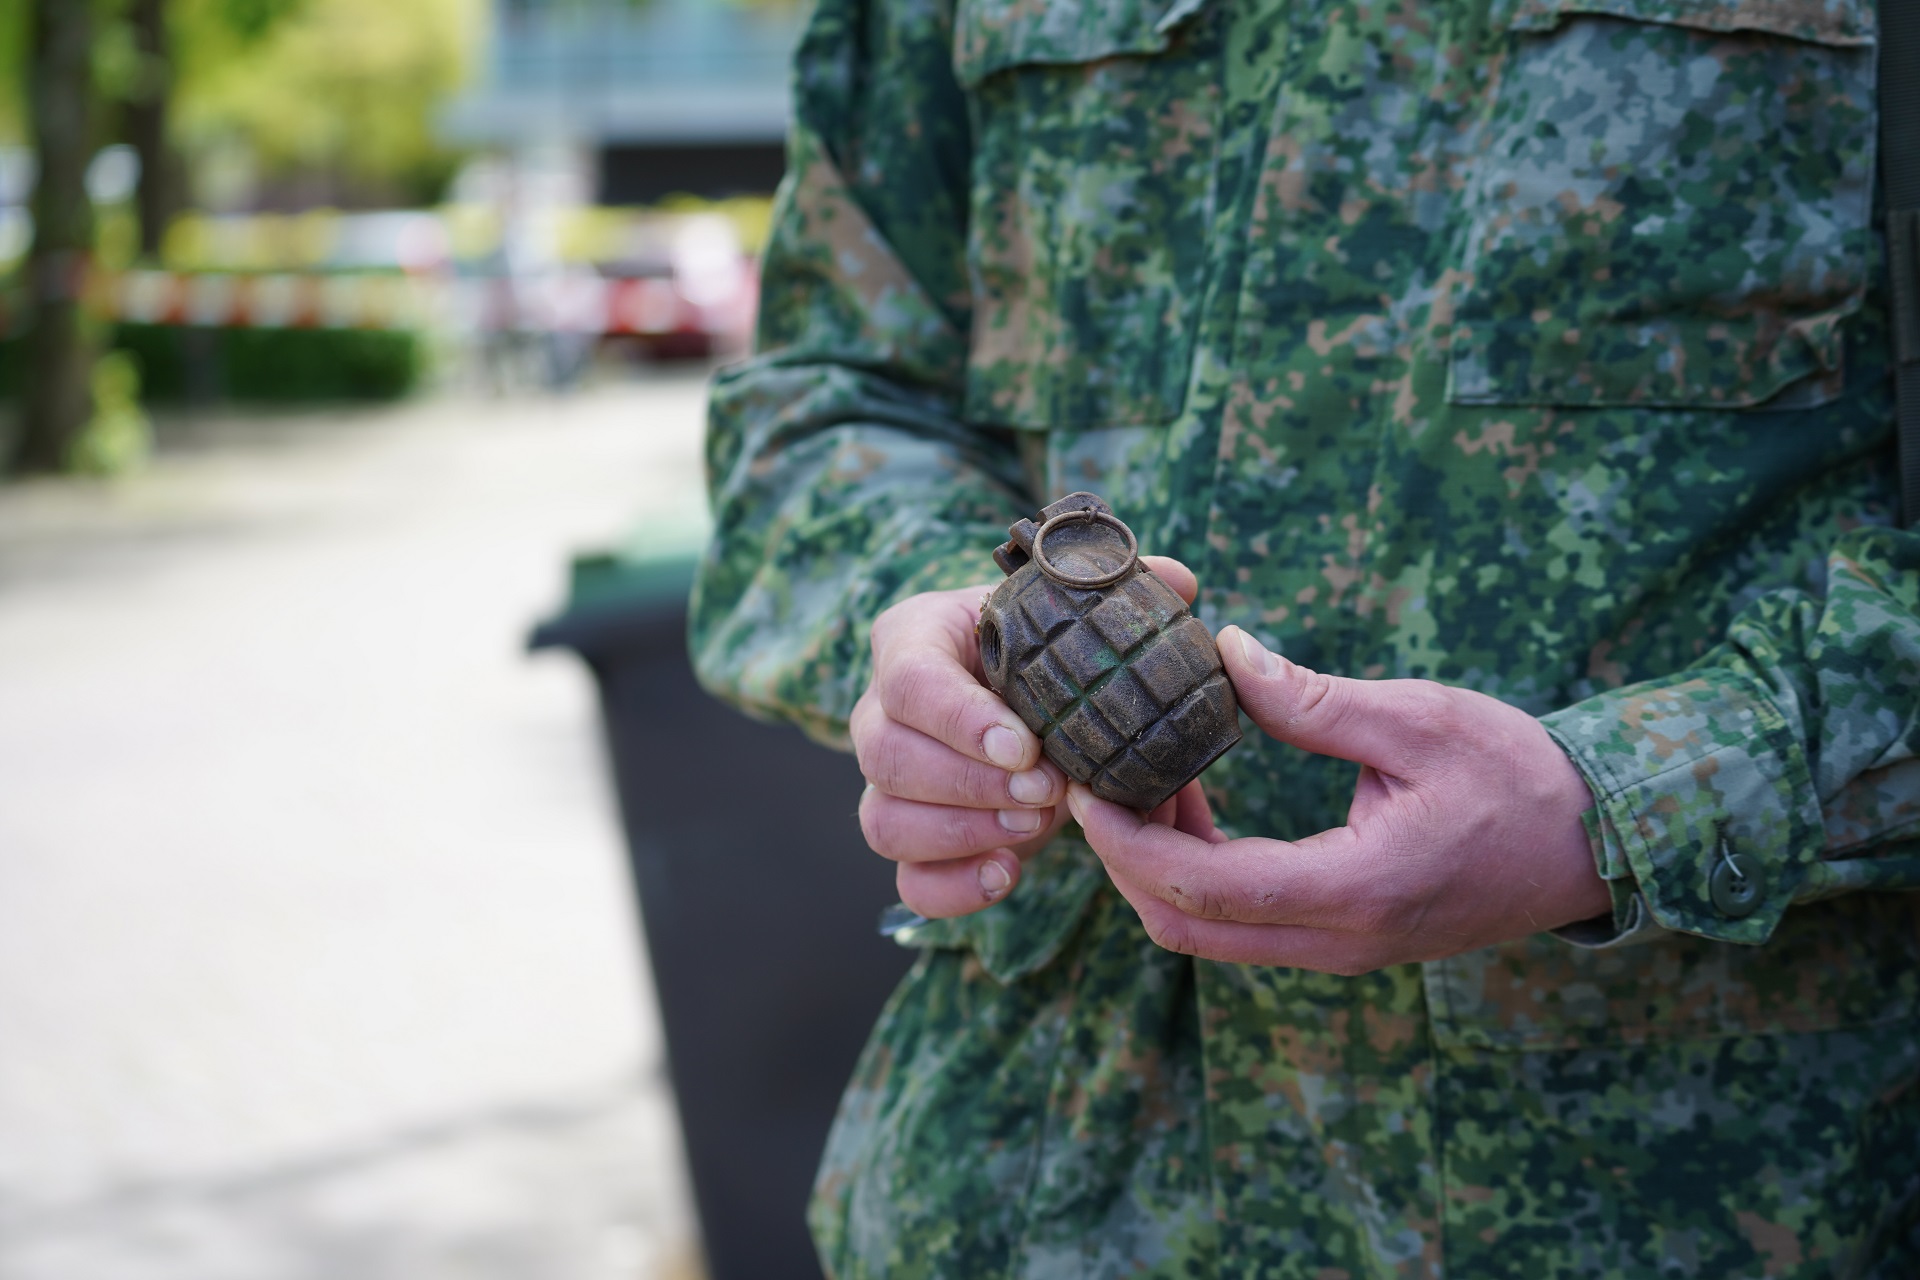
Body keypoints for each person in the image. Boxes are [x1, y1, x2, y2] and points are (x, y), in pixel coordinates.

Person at [691, 0, 1920, 1272]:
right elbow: (826, 398)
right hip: (1051, 1188)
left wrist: (1634, 798)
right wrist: (953, 632)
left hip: (1681, 1193)